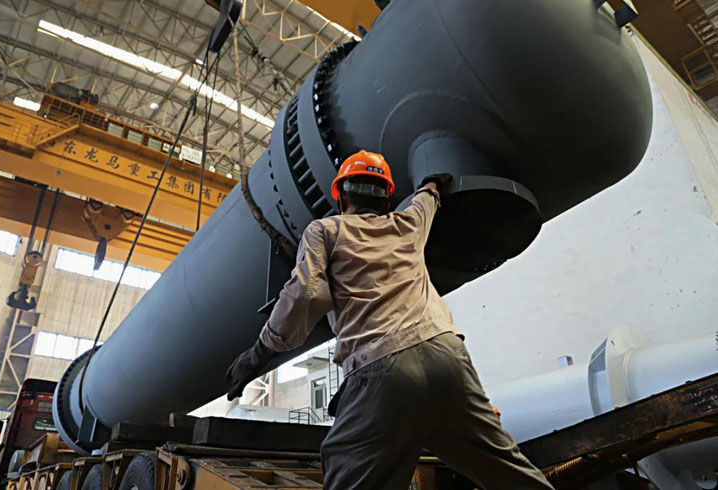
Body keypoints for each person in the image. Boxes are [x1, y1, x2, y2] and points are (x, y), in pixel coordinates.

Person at [225, 150, 554, 490]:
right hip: (446, 356)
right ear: (386, 201)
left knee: (350, 473)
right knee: (507, 473)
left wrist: (259, 354)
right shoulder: (406, 225)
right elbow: (425, 203)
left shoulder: (325, 230)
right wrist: (431, 183)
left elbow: (306, 292)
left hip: (381, 366)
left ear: (341, 197)